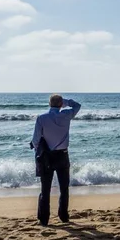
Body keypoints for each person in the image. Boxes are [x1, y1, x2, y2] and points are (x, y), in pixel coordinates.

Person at [31, 94, 81, 225]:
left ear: (49, 104)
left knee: (45, 189)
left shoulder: (41, 118)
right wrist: (66, 102)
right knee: (64, 188)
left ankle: (44, 219)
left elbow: (35, 140)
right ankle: (63, 216)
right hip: (62, 155)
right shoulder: (66, 115)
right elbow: (77, 105)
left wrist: (38, 154)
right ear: (61, 104)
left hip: (46, 156)